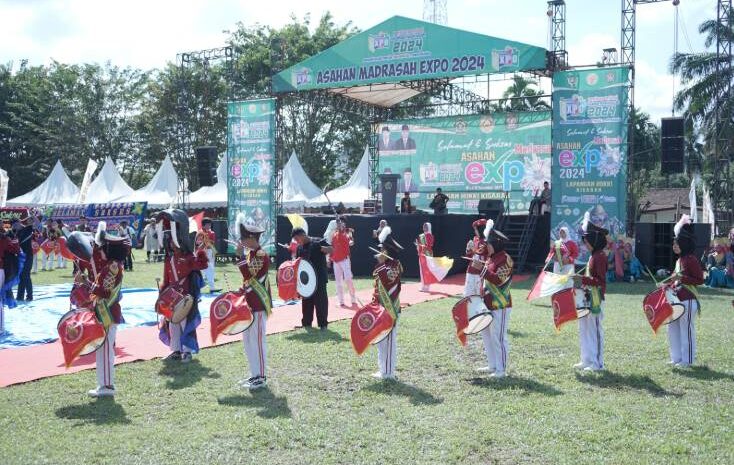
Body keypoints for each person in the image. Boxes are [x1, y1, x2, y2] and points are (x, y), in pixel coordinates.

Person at [67, 225, 129, 397]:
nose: (99, 248)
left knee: (107, 350)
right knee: (102, 350)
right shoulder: (109, 264)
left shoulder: (113, 266)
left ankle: (108, 386)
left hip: (108, 313)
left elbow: (104, 292)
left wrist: (86, 281)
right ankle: (103, 385)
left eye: (102, 246)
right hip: (102, 312)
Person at [156, 209, 209, 363]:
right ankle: (176, 350)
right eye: (169, 240)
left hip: (185, 297)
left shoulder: (188, 257)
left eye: (173, 239)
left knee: (185, 323)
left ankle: (187, 351)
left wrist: (200, 252)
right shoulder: (169, 259)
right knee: (173, 324)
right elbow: (166, 279)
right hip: (171, 297)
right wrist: (162, 294)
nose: (171, 242)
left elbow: (202, 265)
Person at [470, 219, 513, 377]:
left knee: (499, 337)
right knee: (487, 335)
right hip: (487, 303)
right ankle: (492, 365)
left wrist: (481, 269)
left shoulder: (506, 259)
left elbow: (498, 279)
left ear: (496, 243)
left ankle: (501, 370)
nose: (486, 245)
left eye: (488, 243)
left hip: (500, 304)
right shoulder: (491, 258)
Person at [235, 214, 272, 390]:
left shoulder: (261, 255)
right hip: (250, 304)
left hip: (258, 304)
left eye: (244, 238)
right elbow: (247, 280)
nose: (242, 241)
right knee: (248, 341)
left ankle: (261, 376)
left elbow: (249, 274)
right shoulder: (252, 254)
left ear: (251, 238)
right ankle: (254, 374)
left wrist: (240, 257)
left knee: (257, 341)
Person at [573, 212, 608, 372]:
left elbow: (600, 282)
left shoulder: (600, 257)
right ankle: (586, 359)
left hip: (596, 299)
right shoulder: (594, 256)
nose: (585, 245)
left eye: (587, 242)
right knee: (585, 329)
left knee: (594, 330)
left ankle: (597, 363)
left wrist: (583, 279)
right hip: (587, 297)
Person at [668, 215, 704, 367]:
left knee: (686, 330)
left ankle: (687, 360)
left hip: (688, 300)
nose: (674, 245)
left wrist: (681, 277)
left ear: (684, 243)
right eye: (674, 243)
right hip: (677, 300)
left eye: (677, 243)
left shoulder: (691, 259)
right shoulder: (679, 260)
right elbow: (677, 280)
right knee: (673, 329)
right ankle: (676, 358)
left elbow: (700, 280)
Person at [372, 226, 403, 380]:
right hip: (380, 308)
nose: (379, 251)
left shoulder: (395, 265)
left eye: (382, 249)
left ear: (387, 251)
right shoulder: (384, 265)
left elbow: (388, 280)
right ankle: (382, 370)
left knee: (389, 342)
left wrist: (381, 263)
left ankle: (389, 372)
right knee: (380, 340)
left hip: (391, 309)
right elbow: (377, 287)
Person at [293, 227, 332, 330]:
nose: (297, 241)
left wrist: (325, 249)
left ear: (302, 235)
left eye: (297, 239)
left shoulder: (318, 241)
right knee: (306, 302)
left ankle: (323, 325)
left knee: (321, 302)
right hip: (306, 280)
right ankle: (306, 323)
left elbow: (332, 249)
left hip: (319, 278)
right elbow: (298, 264)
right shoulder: (299, 248)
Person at [329, 219, 356, 307]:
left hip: (345, 260)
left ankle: (353, 298)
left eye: (343, 225)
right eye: (340, 225)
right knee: (338, 282)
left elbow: (350, 241)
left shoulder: (345, 234)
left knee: (348, 279)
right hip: (336, 261)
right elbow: (332, 247)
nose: (341, 226)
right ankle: (341, 301)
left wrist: (350, 240)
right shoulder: (334, 235)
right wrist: (329, 258)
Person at [0, 226, 20, 334]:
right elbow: (16, 250)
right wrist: (14, 239)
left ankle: (1, 327)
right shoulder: (4, 238)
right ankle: (1, 327)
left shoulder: (4, 238)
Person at [464, 219, 489, 297]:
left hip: (480, 273)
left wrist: (472, 249)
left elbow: (480, 252)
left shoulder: (487, 242)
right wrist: (468, 249)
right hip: (471, 270)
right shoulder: (475, 239)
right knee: (468, 294)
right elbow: (469, 255)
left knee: (479, 295)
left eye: (476, 229)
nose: (475, 231)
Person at [196, 217, 219, 293]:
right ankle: (208, 287)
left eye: (210, 224)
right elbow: (198, 244)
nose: (209, 226)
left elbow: (212, 243)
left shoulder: (211, 233)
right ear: (203, 225)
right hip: (202, 253)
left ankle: (210, 287)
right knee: (203, 270)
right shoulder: (200, 233)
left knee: (210, 269)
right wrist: (204, 241)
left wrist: (207, 241)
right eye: (208, 224)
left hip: (210, 252)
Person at [15, 214, 35, 302]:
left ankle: (29, 296)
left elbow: (35, 221)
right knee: (21, 275)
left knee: (26, 275)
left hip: (28, 255)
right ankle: (20, 296)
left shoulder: (28, 228)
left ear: (19, 223)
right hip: (21, 256)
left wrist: (31, 215)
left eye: (15, 224)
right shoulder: (17, 232)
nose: (14, 226)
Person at [416, 222, 434, 292]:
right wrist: (418, 245)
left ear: (429, 228)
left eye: (426, 227)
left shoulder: (430, 235)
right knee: (422, 271)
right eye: (424, 226)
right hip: (421, 255)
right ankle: (423, 286)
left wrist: (421, 246)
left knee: (427, 271)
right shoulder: (421, 236)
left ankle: (427, 286)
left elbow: (429, 245)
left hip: (427, 255)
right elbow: (420, 245)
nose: (424, 228)